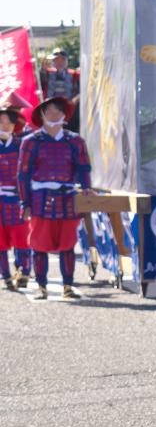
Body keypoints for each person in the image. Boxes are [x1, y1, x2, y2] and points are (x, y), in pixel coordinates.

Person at [17, 95, 92, 300]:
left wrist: (87, 190)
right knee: (39, 244)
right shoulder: (30, 142)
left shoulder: (75, 141)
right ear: (41, 115)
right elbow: (23, 175)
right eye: (48, 110)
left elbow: (84, 169)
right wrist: (25, 203)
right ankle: (42, 286)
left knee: (68, 244)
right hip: (40, 198)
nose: (53, 114)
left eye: (57, 110)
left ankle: (68, 286)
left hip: (68, 198)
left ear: (64, 114)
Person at [0, 95, 33, 290]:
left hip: (17, 198)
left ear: (14, 125)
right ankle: (5, 275)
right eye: (0, 122)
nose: (4, 126)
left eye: (7, 122)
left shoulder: (23, 145)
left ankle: (24, 271)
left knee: (22, 237)